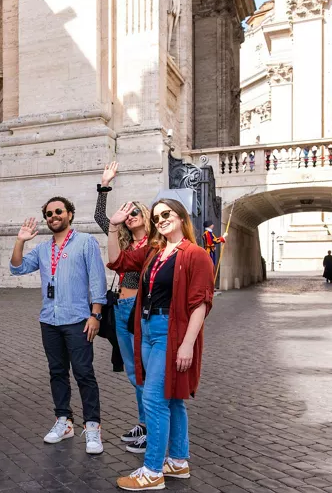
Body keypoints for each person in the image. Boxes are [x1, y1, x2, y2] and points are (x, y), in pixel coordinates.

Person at [107, 199, 215, 491]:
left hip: (171, 331)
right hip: (146, 328)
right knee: (172, 398)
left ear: (181, 217)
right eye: (156, 218)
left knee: (153, 400)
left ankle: (152, 470)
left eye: (166, 214)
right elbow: (118, 262)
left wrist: (187, 345)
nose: (161, 220)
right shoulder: (154, 251)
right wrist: (113, 226)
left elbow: (201, 303)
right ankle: (178, 461)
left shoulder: (196, 254)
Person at [10, 196, 106, 455]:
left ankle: (93, 426)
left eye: (58, 212)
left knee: (84, 373)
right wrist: (20, 239)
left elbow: (98, 281)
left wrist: (95, 315)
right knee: (57, 373)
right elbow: (17, 269)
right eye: (49, 214)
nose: (54, 216)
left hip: (78, 320)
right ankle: (64, 422)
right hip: (49, 321)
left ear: (70, 214)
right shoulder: (42, 249)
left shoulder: (86, 242)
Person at [94, 161, 152, 453]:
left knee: (142, 369)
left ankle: (151, 427)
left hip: (141, 310)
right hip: (120, 306)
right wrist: (105, 185)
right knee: (131, 370)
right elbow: (100, 218)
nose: (130, 217)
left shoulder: (155, 244)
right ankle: (143, 422)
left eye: (135, 212)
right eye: (128, 214)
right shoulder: (125, 242)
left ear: (147, 216)